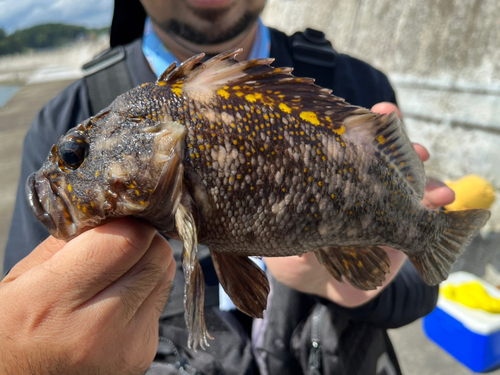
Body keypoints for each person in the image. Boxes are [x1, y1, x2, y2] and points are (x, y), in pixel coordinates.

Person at [1, 1, 455, 374]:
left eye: (76, 157)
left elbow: (423, 287)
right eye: (76, 155)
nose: (70, 164)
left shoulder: (358, 87)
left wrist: (348, 287)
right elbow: (27, 312)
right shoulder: (60, 119)